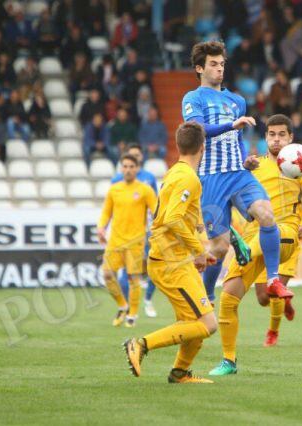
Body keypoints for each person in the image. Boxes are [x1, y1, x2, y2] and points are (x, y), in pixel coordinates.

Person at [209, 115, 302, 376]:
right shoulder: (254, 166)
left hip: (286, 235)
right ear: (265, 139)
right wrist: (243, 170)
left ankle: (273, 329)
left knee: (271, 286)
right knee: (232, 298)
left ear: (290, 138)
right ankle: (229, 361)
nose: (276, 139)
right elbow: (237, 197)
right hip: (254, 237)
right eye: (271, 135)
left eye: (281, 135)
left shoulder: (300, 166)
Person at [181, 41, 293, 303]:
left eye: (222, 64)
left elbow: (237, 139)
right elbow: (197, 129)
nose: (219, 68)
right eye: (213, 64)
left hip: (238, 175)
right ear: (199, 68)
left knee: (266, 215)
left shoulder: (237, 101)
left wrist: (246, 161)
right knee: (219, 248)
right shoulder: (193, 98)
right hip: (210, 178)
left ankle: (274, 279)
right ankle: (206, 294)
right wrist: (232, 124)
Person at [123, 122, 218, 384]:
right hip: (170, 261)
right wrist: (198, 249)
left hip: (174, 258)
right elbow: (174, 219)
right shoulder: (187, 177)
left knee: (194, 320)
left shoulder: (175, 172)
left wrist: (200, 248)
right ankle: (141, 344)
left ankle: (180, 372)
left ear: (177, 146)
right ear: (203, 147)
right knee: (208, 324)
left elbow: (190, 216)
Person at [97, 154, 157, 328]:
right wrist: (101, 228)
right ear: (121, 168)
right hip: (115, 240)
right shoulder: (114, 189)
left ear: (137, 168)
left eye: (132, 166)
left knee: (133, 279)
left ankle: (132, 315)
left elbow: (156, 211)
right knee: (107, 275)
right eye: (125, 166)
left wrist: (157, 229)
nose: (128, 169)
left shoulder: (145, 190)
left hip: (135, 241)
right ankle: (122, 305)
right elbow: (106, 212)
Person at [111, 144, 159, 318]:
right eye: (131, 156)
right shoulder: (117, 180)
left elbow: (155, 204)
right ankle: (129, 305)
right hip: (129, 233)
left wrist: (157, 226)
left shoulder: (149, 178)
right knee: (127, 271)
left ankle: (147, 299)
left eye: (137, 155)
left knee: (155, 266)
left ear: (141, 158)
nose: (135, 158)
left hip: (148, 230)